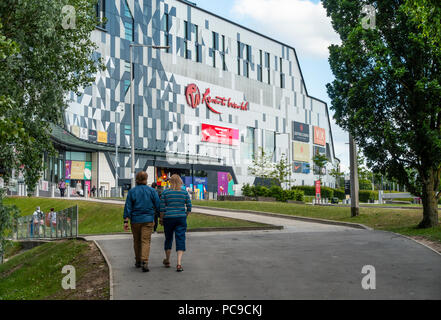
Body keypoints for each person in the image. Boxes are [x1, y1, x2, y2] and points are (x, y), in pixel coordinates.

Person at [123, 171, 160, 272]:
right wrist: (161, 217)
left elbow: (128, 207)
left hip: (135, 220)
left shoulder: (132, 191)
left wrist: (125, 221)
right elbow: (158, 205)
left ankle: (138, 260)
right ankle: (145, 261)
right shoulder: (152, 191)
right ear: (146, 179)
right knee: (145, 241)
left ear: (137, 179)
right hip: (148, 220)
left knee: (137, 241)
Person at [160, 174, 192, 272]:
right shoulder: (184, 192)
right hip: (181, 218)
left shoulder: (165, 193)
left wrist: (161, 219)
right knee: (180, 239)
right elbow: (189, 206)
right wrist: (185, 215)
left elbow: (161, 208)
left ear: (170, 182)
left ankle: (168, 260)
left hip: (168, 218)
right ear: (180, 182)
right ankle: (179, 263)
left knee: (168, 238)